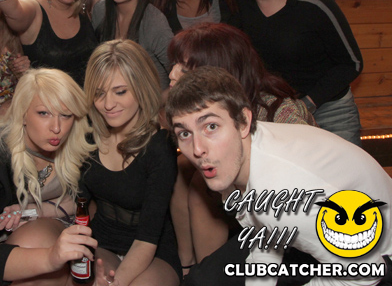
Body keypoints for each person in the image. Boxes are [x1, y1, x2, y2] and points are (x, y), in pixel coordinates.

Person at [166, 66, 392, 286]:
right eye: (184, 133)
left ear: (243, 122)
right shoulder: (241, 152)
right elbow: (266, 233)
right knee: (204, 279)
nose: (197, 149)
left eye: (211, 126)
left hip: (377, 259)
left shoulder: (282, 193)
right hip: (321, 231)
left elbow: (364, 274)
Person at [166, 22, 317, 271]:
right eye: (174, 64)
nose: (172, 74)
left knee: (200, 187)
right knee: (182, 166)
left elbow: (306, 177)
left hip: (291, 215)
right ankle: (188, 266)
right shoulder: (198, 107)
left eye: (183, 69)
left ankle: (210, 272)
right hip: (243, 199)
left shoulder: (280, 112)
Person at [0, 68, 96, 286]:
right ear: (23, 113)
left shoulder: (83, 147)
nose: (57, 128)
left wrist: (35, 213)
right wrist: (48, 257)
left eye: (66, 115)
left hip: (53, 225)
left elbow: (89, 204)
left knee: (33, 241)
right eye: (44, 113)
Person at [233, 0, 363, 146]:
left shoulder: (316, 5)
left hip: (330, 112)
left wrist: (308, 103)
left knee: (346, 168)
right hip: (273, 112)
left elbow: (352, 63)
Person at [79, 39, 181, 285]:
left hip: (153, 250)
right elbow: (77, 202)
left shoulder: (160, 146)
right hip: (102, 243)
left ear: (141, 88)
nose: (108, 104)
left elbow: (147, 239)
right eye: (99, 93)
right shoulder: (89, 138)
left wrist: (118, 283)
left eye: (120, 91)